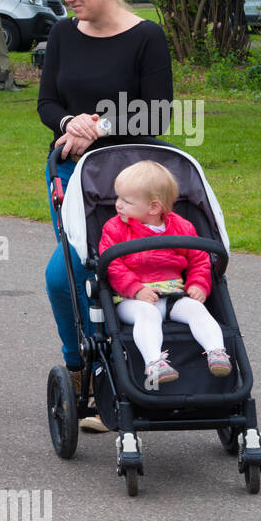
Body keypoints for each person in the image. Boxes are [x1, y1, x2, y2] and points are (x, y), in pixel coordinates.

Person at [38, 0, 174, 432]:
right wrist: (66, 123)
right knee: (68, 277)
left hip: (134, 181)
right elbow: (47, 102)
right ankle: (84, 371)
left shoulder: (146, 36)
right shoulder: (62, 34)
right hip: (74, 178)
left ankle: (131, 371)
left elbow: (157, 116)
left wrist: (100, 124)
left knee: (118, 274)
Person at [100, 160, 231, 383]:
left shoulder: (182, 228)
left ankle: (216, 352)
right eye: (118, 197)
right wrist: (135, 289)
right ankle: (154, 363)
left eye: (126, 201)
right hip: (132, 300)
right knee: (147, 314)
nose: (118, 205)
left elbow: (199, 258)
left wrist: (198, 283)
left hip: (173, 294)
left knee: (196, 309)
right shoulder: (115, 228)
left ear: (153, 207)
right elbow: (112, 265)